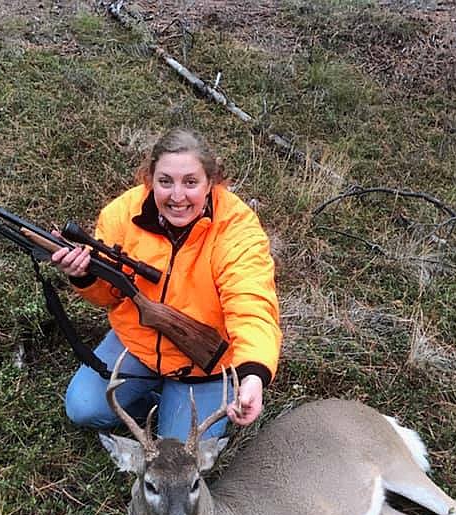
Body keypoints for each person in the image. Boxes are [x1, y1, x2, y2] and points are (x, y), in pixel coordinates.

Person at [36, 128, 281, 441]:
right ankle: (163, 406)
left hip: (206, 365)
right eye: (165, 181)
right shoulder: (122, 214)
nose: (177, 196)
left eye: (190, 182)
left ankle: (176, 408)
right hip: (138, 343)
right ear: (150, 178)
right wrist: (82, 275)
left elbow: (252, 305)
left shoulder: (237, 230)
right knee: (82, 408)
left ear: (211, 182)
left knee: (181, 450)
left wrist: (253, 374)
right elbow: (106, 295)